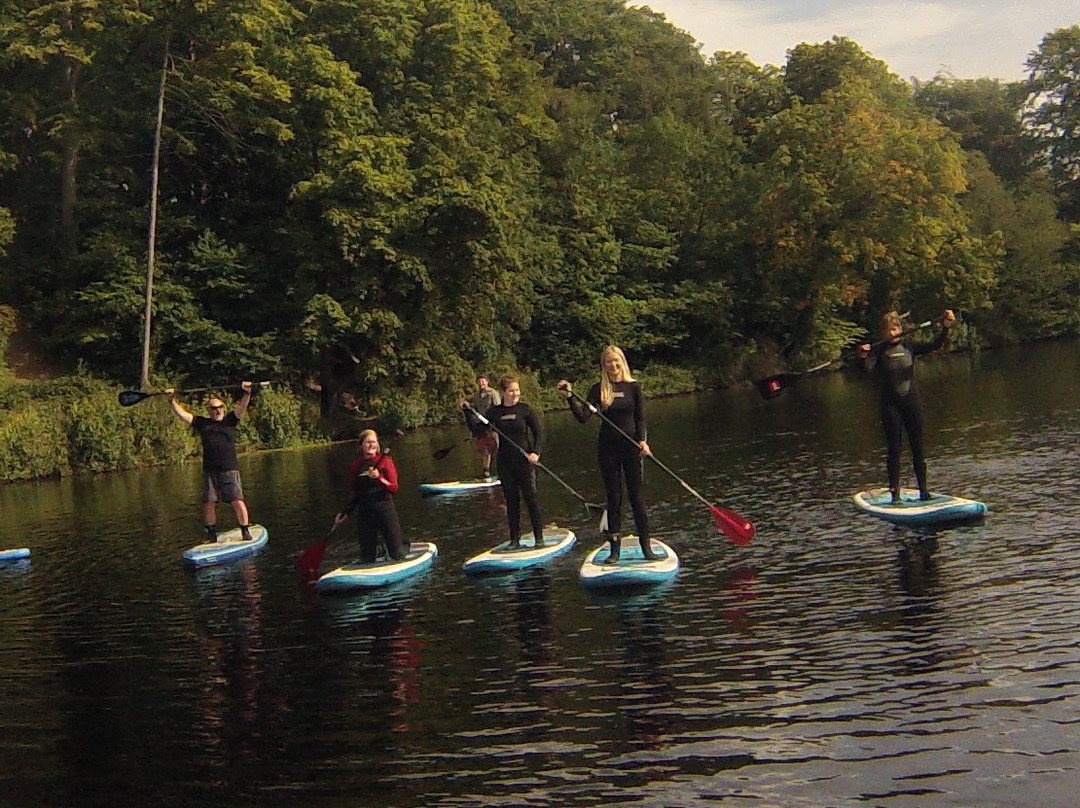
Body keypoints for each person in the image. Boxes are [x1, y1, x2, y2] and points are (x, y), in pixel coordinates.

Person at [557, 345, 655, 563]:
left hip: (631, 448)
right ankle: (615, 550)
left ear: (622, 362)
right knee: (613, 499)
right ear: (604, 365)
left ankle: (646, 548)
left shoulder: (634, 388)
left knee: (637, 498)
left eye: (616, 361)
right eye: (608, 362)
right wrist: (570, 397)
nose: (613, 365)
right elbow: (583, 417)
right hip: (608, 450)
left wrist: (643, 441)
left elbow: (640, 419)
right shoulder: (598, 389)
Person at [859, 309, 956, 502]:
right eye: (888, 330)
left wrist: (945, 328)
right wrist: (863, 357)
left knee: (918, 447)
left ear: (900, 329)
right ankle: (895, 494)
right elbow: (867, 371)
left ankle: (924, 490)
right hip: (890, 405)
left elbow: (934, 345)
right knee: (894, 449)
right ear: (884, 333)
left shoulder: (909, 346)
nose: (892, 333)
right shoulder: (878, 352)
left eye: (895, 329)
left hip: (911, 402)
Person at [166, 382, 255, 542]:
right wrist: (171, 400)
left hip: (229, 469)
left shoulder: (230, 420)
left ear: (223, 407)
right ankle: (212, 533)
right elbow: (184, 415)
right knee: (209, 502)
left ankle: (245, 530)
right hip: (210, 471)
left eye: (219, 407)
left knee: (237, 500)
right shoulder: (203, 423)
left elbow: (242, 406)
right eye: (213, 408)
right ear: (209, 410)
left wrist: (247, 393)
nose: (217, 410)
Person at [484, 376, 546, 549]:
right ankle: (514, 540)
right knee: (511, 501)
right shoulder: (494, 412)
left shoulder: (524, 410)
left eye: (517, 390)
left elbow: (538, 433)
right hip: (505, 461)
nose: (515, 394)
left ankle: (539, 538)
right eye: (511, 391)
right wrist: (468, 412)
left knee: (531, 498)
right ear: (503, 392)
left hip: (524, 460)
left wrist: (536, 453)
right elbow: (480, 429)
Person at [334, 429, 409, 563]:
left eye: (374, 442)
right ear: (361, 445)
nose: (371, 445)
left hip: (384, 510)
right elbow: (356, 493)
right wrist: (345, 512)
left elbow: (394, 488)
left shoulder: (386, 461)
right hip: (365, 513)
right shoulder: (355, 466)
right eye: (368, 442)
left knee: (397, 554)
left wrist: (379, 477)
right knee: (367, 557)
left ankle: (402, 545)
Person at [463, 375, 501, 479]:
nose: (481, 384)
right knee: (484, 449)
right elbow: (474, 408)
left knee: (497, 448)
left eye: (483, 382)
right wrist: (466, 404)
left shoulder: (493, 394)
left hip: (493, 425)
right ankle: (486, 471)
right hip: (481, 426)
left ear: (487, 382)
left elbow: (499, 409)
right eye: (479, 382)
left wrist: (494, 425)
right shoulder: (477, 396)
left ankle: (502, 470)